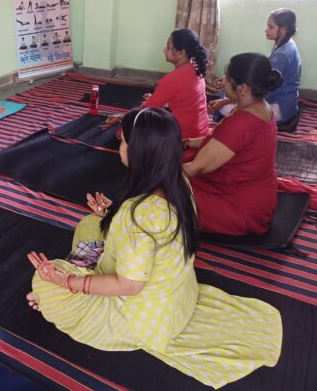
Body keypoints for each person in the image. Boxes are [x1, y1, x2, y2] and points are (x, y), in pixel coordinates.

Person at [26, 107, 282, 388]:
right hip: (178, 299)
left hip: (139, 318)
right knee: (91, 224)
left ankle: (57, 293)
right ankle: (75, 276)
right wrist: (111, 215)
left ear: (137, 151)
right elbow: (156, 234)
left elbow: (129, 285)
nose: (120, 146)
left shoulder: (138, 213)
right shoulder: (179, 182)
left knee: (45, 281)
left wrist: (68, 283)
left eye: (123, 141)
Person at [183, 53, 282, 236]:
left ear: (243, 89)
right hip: (258, 196)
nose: (224, 82)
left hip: (240, 209)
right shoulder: (262, 107)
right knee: (181, 157)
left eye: (228, 79)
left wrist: (150, 176)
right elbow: (220, 143)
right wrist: (186, 143)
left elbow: (197, 167)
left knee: (165, 193)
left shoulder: (241, 124)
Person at [102, 29, 210, 143]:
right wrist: (157, 98)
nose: (164, 50)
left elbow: (145, 110)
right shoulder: (197, 68)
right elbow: (185, 98)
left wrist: (120, 118)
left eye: (168, 47)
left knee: (128, 131)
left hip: (184, 138)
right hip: (201, 133)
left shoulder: (173, 79)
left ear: (181, 53)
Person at [211, 9, 301, 127]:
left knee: (225, 104)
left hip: (280, 108)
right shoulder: (288, 44)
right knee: (228, 89)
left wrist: (224, 101)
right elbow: (259, 76)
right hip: (288, 103)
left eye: (270, 27)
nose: (266, 29)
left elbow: (260, 88)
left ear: (283, 30)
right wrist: (229, 79)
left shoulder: (281, 55)